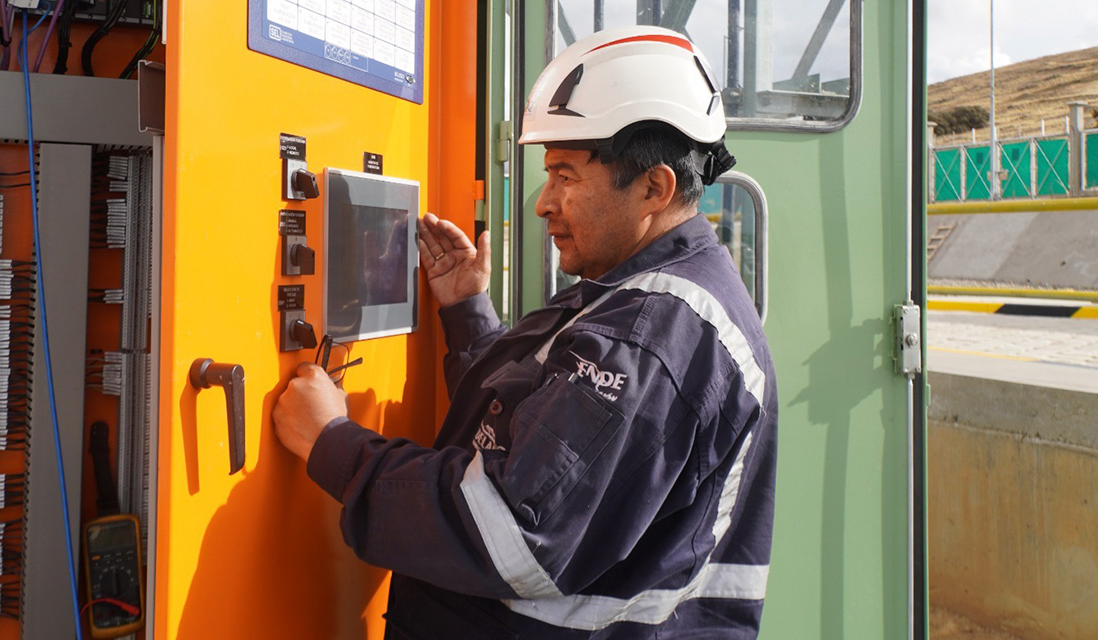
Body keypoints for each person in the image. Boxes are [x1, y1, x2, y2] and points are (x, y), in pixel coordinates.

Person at [273, 25, 778, 639]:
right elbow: (548, 423)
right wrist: (466, 307)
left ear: (655, 187)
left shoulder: (651, 333)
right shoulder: (639, 289)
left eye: (567, 176)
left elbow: (511, 537)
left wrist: (331, 442)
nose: (544, 203)